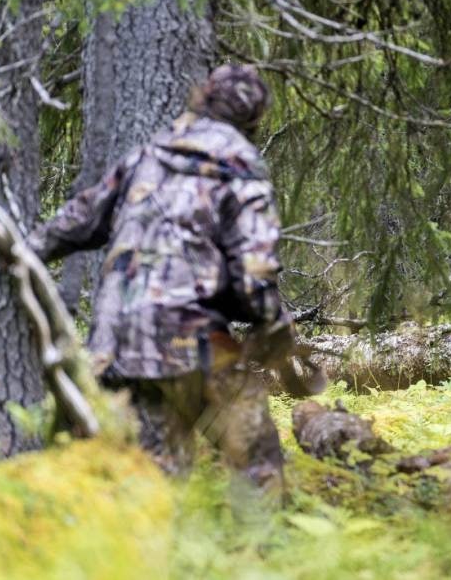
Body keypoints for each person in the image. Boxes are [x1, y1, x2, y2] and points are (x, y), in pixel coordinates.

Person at [29, 64, 300, 496]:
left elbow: (80, 218)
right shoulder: (242, 168)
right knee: (257, 453)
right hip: (190, 342)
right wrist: (273, 325)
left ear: (204, 98)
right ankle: (260, 555)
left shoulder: (148, 155)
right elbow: (255, 274)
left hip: (114, 342)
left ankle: (129, 550)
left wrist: (25, 250)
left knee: (148, 471)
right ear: (254, 118)